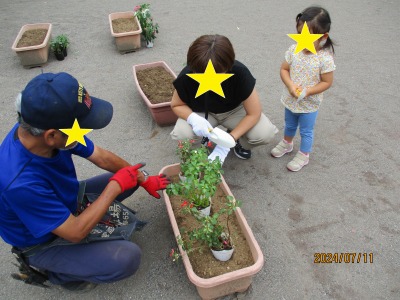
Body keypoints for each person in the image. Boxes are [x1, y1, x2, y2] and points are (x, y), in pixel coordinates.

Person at [0, 72, 170, 291]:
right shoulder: (18, 183)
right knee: (127, 258)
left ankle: (85, 225)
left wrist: (143, 179)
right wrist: (114, 187)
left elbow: (102, 157)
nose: (82, 131)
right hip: (43, 241)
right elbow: (75, 232)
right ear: (51, 136)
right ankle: (58, 274)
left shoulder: (41, 126)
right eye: (78, 126)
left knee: (130, 176)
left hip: (65, 200)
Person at [170, 34, 278, 164]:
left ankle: (238, 141)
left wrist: (230, 139)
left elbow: (254, 113)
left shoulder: (240, 73)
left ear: (228, 65)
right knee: (182, 134)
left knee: (264, 133)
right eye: (200, 74)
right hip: (202, 112)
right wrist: (193, 118)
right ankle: (201, 146)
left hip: (234, 111)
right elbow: (176, 105)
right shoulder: (187, 75)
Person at [271, 6, 336, 171]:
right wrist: (290, 85)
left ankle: (304, 154)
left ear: (323, 36)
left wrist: (308, 91)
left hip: (309, 104)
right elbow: (284, 69)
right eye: (300, 35)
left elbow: (327, 82)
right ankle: (287, 143)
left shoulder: (324, 59)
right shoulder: (294, 50)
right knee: (290, 125)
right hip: (291, 98)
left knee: (306, 130)